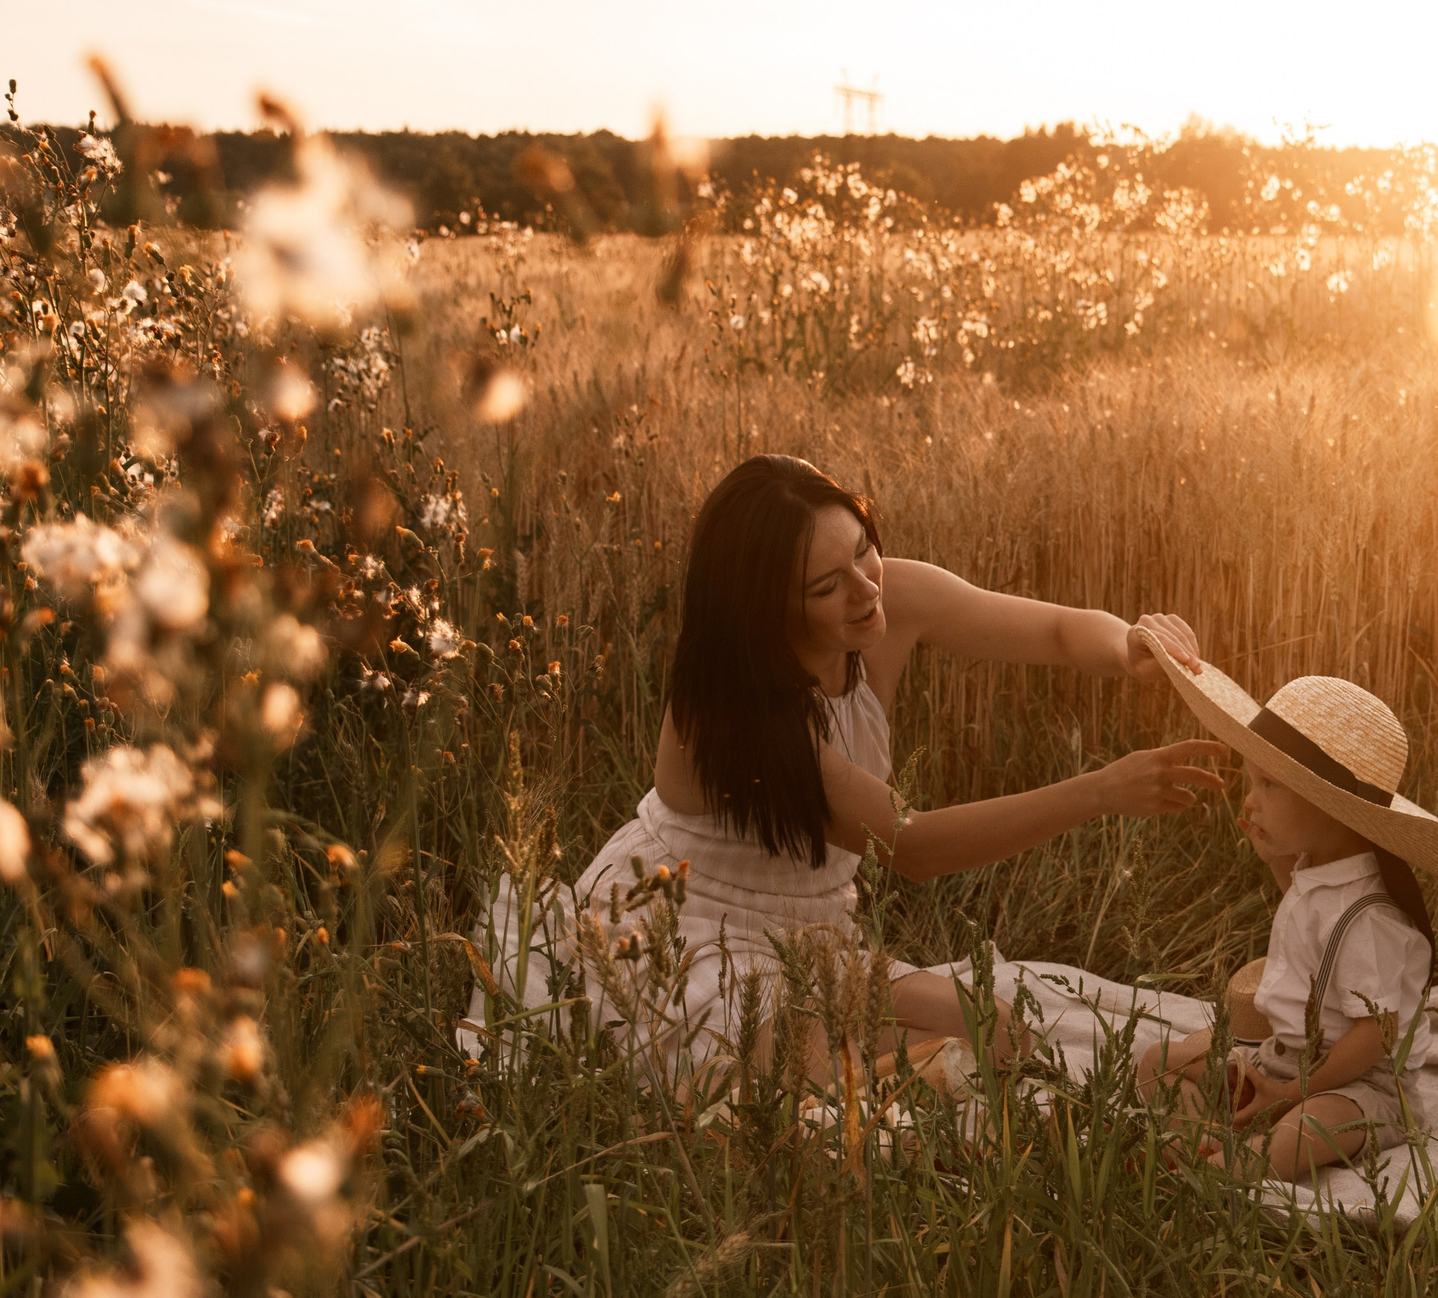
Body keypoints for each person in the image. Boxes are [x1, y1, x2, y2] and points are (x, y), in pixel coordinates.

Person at [471, 454, 1225, 1086]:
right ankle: (882, 1068)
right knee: (843, 1061)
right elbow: (913, 847)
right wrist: (1104, 790)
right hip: (683, 934)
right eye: (827, 585)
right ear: (765, 610)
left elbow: (1060, 633)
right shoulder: (734, 708)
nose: (867, 588)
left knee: (995, 1029)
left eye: (863, 548)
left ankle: (908, 1063)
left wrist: (1129, 642)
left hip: (811, 936)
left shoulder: (884, 600)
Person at [1133, 634, 1438, 1179]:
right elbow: (1308, 916)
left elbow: (1374, 1035)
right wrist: (1274, 858)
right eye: (1251, 780)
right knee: (1156, 1063)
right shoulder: (1322, 873)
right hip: (1282, 1058)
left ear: (1332, 808)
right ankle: (1213, 1141)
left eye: (1268, 784)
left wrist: (1294, 1091)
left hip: (1356, 1084)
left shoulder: (1374, 921)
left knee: (1309, 1125)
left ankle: (1233, 1164)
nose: (1249, 799)